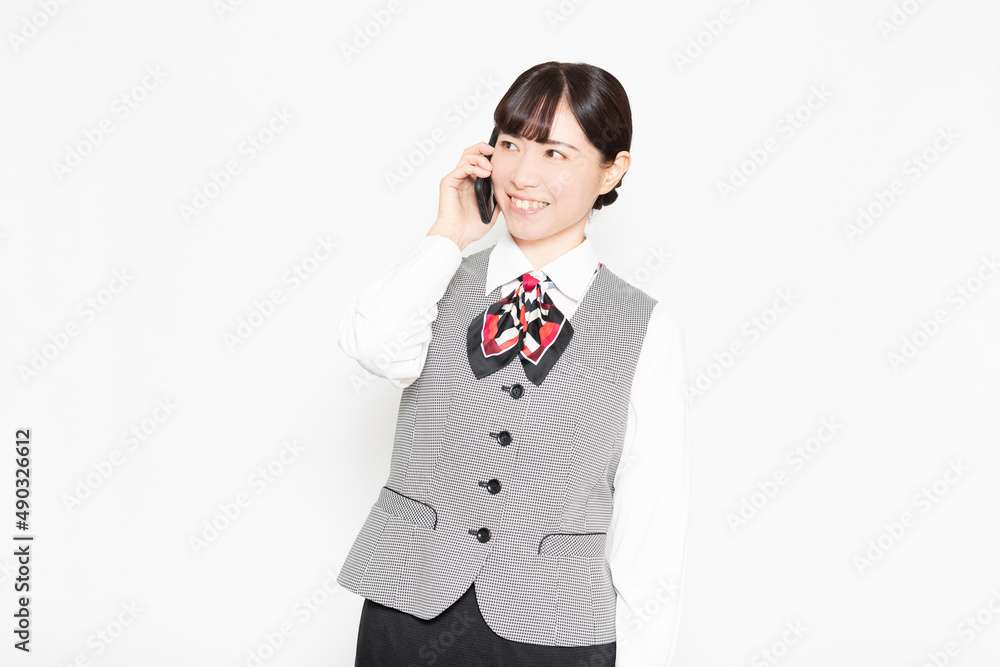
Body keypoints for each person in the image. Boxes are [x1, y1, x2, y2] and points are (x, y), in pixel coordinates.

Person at [336, 61, 690, 666]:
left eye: (556, 153)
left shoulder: (645, 327)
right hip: (407, 610)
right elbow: (372, 346)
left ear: (612, 170)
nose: (523, 174)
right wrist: (448, 236)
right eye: (510, 144)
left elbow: (653, 522)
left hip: (553, 629)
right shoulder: (435, 283)